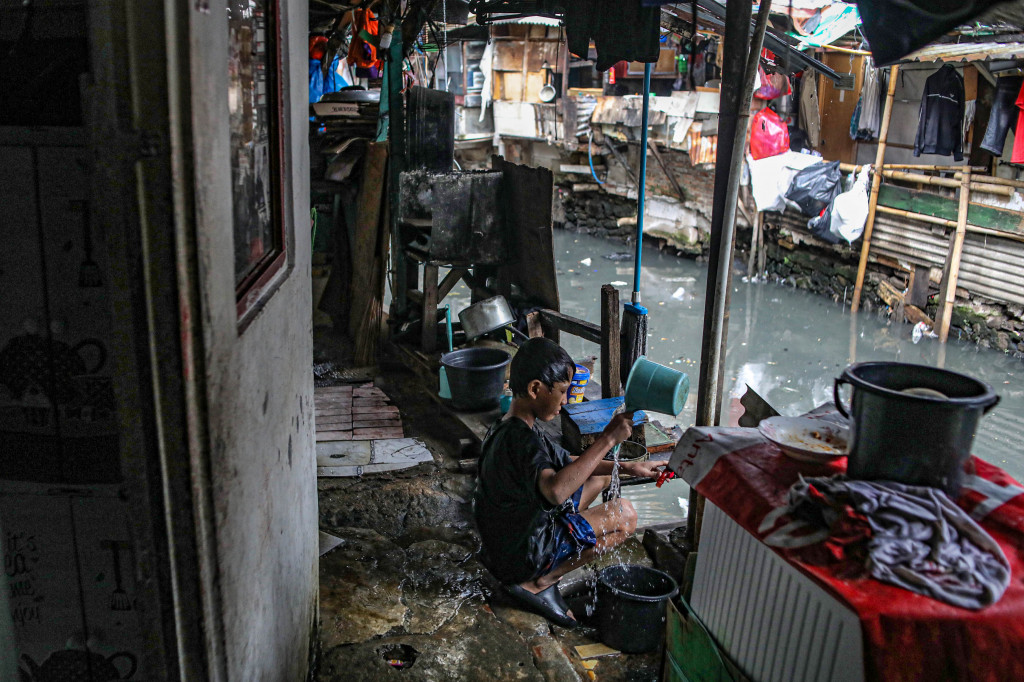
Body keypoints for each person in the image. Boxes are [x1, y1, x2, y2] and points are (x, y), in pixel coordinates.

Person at [473, 338, 665, 627]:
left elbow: (572, 463)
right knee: (625, 515)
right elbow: (555, 491)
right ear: (535, 388)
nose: (565, 402)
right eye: (562, 391)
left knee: (598, 476)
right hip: (519, 556)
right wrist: (608, 439)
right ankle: (539, 582)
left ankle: (566, 539)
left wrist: (628, 466)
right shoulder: (523, 441)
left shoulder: (511, 426)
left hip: (504, 541)